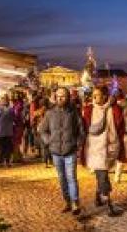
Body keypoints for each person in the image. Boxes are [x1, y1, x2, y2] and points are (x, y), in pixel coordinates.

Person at [39, 87, 85, 215]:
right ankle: (67, 201)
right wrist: (49, 141)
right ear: (55, 97)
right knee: (62, 178)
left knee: (71, 177)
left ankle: (75, 202)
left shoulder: (74, 112)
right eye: (58, 96)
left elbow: (81, 130)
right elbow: (42, 130)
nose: (60, 98)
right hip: (55, 152)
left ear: (68, 97)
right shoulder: (50, 113)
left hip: (70, 150)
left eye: (63, 96)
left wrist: (78, 144)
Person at [81, 85, 126, 216]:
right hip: (94, 147)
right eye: (93, 95)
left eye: (97, 95)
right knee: (102, 174)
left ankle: (98, 198)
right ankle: (108, 203)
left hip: (109, 145)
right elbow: (83, 126)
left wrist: (116, 101)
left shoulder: (113, 108)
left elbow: (120, 123)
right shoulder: (89, 109)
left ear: (105, 96)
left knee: (101, 172)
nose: (94, 97)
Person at [0, 96, 15, 167]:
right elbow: (13, 118)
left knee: (0, 147)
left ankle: (0, 162)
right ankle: (8, 162)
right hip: (8, 132)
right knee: (7, 147)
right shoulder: (11, 110)